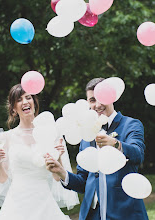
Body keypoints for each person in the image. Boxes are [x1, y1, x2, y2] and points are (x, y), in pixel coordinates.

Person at [45, 78, 149, 220]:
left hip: (124, 211)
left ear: (112, 96)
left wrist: (115, 144)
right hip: (92, 215)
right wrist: (62, 172)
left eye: (101, 98)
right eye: (92, 100)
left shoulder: (130, 124)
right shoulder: (86, 135)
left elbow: (137, 154)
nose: (98, 105)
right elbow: (83, 182)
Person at [0, 83, 79, 220]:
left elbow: (57, 177)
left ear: (34, 102)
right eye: (19, 100)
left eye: (28, 98)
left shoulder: (51, 133)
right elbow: (2, 179)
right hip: (16, 205)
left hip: (44, 202)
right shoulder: (6, 138)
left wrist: (59, 156)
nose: (25, 102)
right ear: (14, 109)